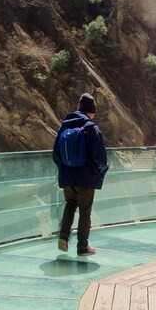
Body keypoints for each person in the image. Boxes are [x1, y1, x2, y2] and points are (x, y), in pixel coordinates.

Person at [52, 93, 109, 256]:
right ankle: (82, 247)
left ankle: (63, 237)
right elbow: (99, 156)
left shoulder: (64, 126)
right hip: (85, 178)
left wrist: (65, 170)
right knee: (85, 211)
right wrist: (100, 172)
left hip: (67, 177)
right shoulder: (90, 128)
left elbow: (56, 154)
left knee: (70, 204)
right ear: (91, 111)